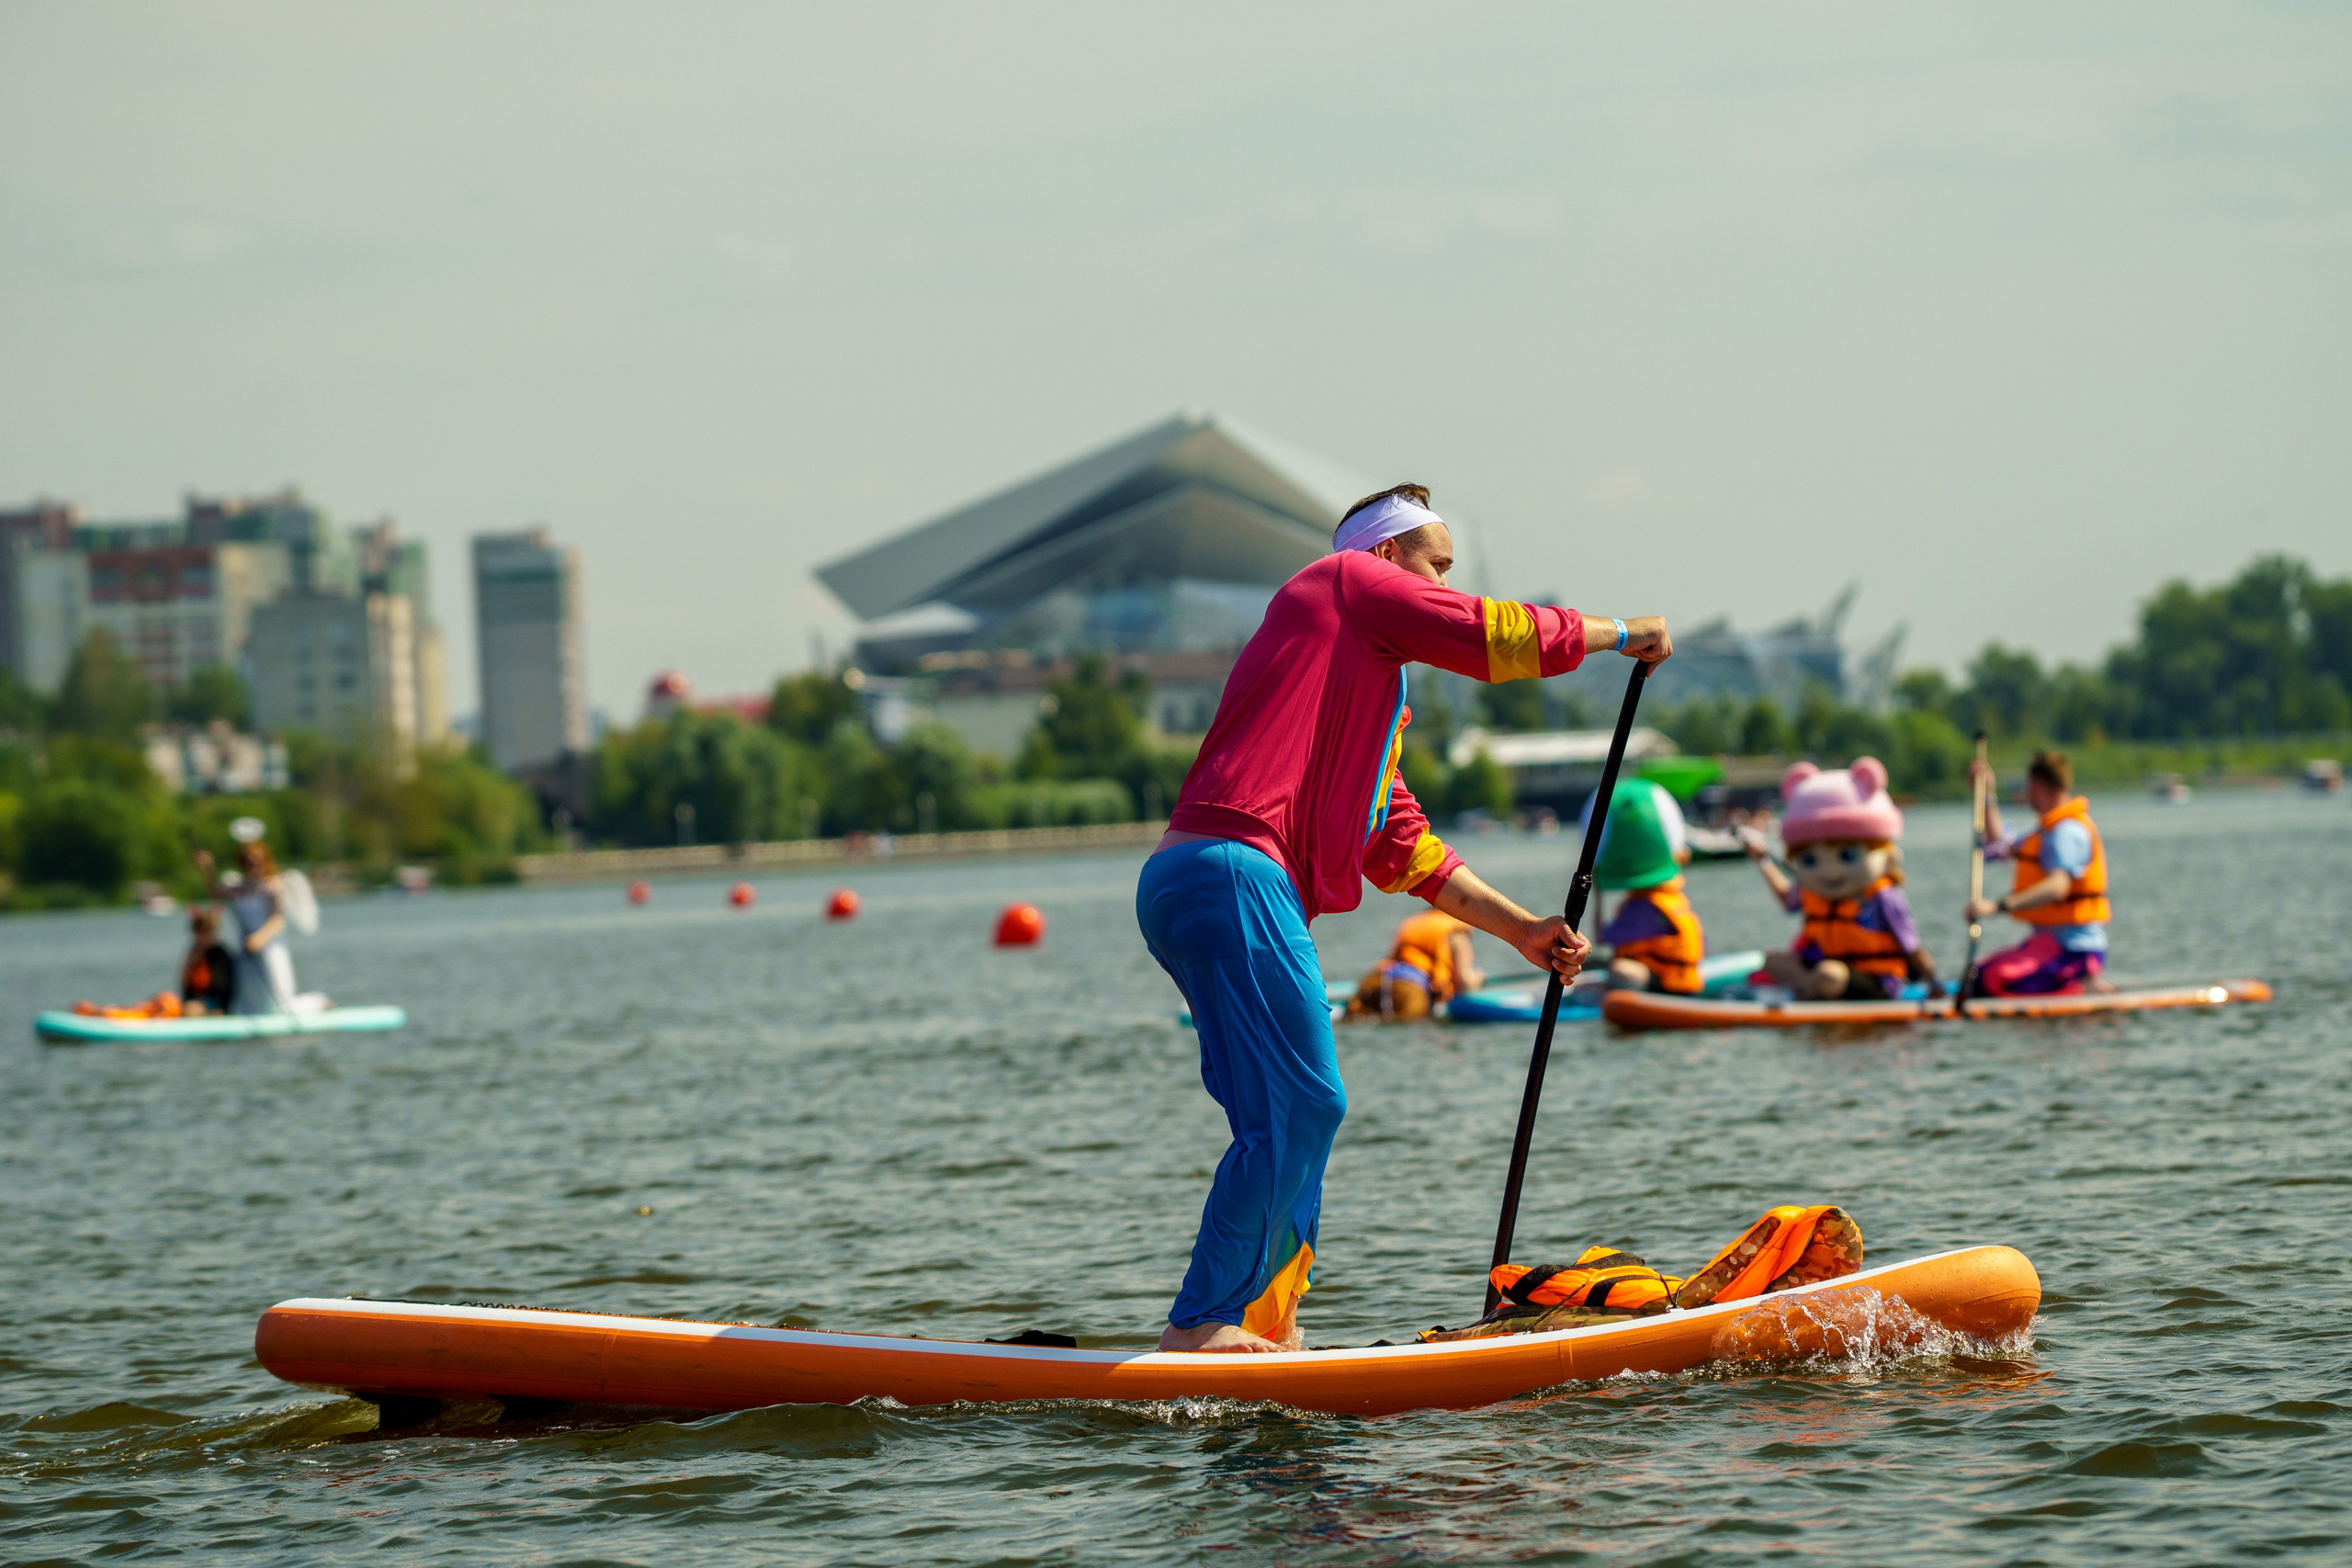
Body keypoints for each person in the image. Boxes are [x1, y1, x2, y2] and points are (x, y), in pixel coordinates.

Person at [1136, 482, 1670, 1353]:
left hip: (1194, 879)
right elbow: (1489, 632)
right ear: (1385, 559)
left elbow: (1403, 848)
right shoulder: (1344, 580)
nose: (1446, 586)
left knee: (1286, 1117)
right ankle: (1200, 1328)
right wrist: (1620, 634)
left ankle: (1263, 1328)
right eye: (1437, 566)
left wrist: (1524, 932)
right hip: (1233, 872)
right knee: (1308, 1104)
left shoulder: (1351, 691)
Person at [1745, 757, 1937, 1000]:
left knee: (1830, 974)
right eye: (1810, 860)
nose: (1829, 872)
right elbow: (1787, 900)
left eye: (1847, 855)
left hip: (1873, 980)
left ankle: (1811, 990)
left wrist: (1933, 982)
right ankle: (1809, 988)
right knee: (1773, 961)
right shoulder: (1813, 893)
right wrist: (1763, 861)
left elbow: (1911, 944)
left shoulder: (1883, 898)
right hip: (1821, 971)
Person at [1964, 750, 2111, 996]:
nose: (2026, 791)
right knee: (1975, 975)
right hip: (2046, 946)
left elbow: (2057, 887)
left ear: (2038, 785)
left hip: (2075, 951)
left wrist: (1998, 906)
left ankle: (2084, 983)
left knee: (1992, 981)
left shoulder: (2067, 832)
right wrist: (1986, 795)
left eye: (2028, 784)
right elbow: (1999, 845)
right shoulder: (2043, 829)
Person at [1588, 779, 1706, 993]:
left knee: (1617, 968)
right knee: (1599, 972)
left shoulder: (1645, 907)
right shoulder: (1670, 899)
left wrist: (1597, 892)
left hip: (1667, 982)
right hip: (1678, 975)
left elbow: (1601, 938)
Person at [195, 836, 298, 1014]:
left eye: (257, 861)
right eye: (247, 862)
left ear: (265, 861)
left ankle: (309, 1006)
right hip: (247, 950)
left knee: (278, 997)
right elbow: (216, 892)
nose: (252, 866)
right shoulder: (240, 887)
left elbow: (278, 920)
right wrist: (207, 868)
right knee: (250, 998)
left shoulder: (273, 886)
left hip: (269, 947)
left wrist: (259, 939)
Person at [1344, 908, 1485, 1021]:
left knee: (1354, 1019)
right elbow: (1464, 984)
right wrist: (1477, 980)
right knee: (1409, 1021)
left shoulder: (1414, 922)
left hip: (1376, 979)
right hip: (1411, 990)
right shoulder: (1456, 932)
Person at [180, 905, 238, 1016]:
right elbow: (185, 982)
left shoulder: (221, 954)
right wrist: (192, 960)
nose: (202, 937)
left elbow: (226, 986)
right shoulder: (193, 953)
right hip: (195, 1001)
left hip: (215, 1003)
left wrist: (223, 1008)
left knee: (192, 1010)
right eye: (200, 933)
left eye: (206, 933)